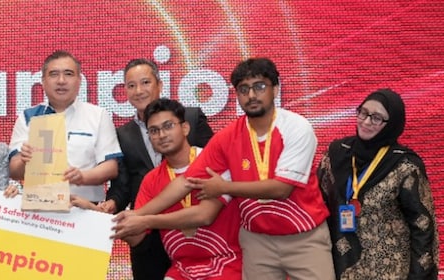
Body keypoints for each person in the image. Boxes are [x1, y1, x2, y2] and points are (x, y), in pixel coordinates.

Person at [129, 57, 334, 279]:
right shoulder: (226, 137)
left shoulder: (297, 127)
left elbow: (281, 189)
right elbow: (185, 181)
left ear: (275, 89)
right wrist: (136, 215)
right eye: (243, 89)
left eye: (259, 87)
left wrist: (225, 187)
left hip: (303, 236)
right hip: (256, 240)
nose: (251, 95)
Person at [104, 58, 215, 279]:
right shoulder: (122, 135)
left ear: (160, 85)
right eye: (131, 85)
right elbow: (122, 186)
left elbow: (213, 166)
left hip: (198, 229)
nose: (139, 91)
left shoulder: (190, 117)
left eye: (145, 82)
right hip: (146, 235)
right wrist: (111, 205)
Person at [111, 99, 243, 280]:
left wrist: (146, 221)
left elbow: (205, 215)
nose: (162, 135)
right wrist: (113, 224)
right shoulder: (150, 180)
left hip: (226, 264)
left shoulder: (212, 160)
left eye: (168, 126)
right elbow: (138, 237)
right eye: (154, 131)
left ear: (185, 128)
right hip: (181, 270)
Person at [317, 89, 438, 279]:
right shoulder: (336, 154)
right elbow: (317, 205)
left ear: (392, 124)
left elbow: (423, 226)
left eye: (376, 118)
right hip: (339, 268)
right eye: (363, 113)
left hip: (390, 271)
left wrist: (419, 275)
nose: (366, 122)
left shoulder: (405, 165)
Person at [8, 50, 122, 205]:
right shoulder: (28, 117)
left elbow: (111, 167)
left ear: (79, 80)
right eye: (54, 74)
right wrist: (24, 160)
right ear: (43, 81)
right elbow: (14, 171)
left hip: (86, 208)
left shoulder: (98, 115)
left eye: (68, 74)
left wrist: (82, 177)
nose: (61, 81)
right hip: (40, 207)